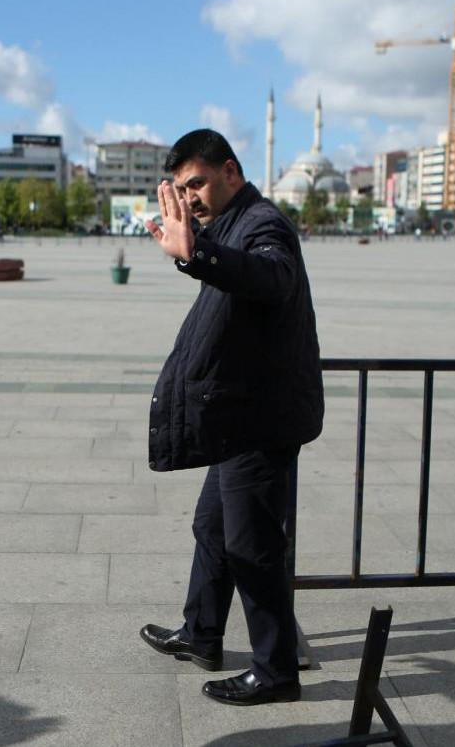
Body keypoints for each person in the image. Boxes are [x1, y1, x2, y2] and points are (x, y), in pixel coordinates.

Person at [137, 129, 324, 706]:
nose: (190, 196)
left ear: (231, 172)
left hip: (260, 421)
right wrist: (196, 247)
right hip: (238, 417)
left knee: (253, 549)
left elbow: (271, 277)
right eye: (181, 187)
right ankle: (202, 634)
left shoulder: (263, 223)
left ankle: (275, 672)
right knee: (213, 529)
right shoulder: (227, 226)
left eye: (197, 183)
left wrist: (197, 253)